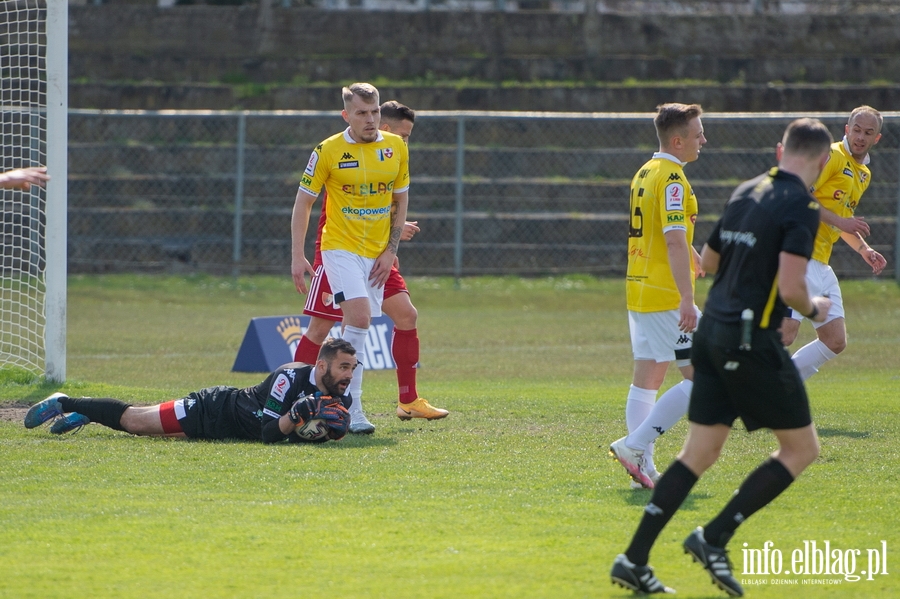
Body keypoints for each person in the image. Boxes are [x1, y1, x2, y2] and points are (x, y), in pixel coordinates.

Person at [610, 118, 834, 597]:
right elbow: (795, 290)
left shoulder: (746, 191)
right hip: (751, 342)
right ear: (819, 162)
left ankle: (633, 560)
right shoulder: (800, 204)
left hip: (713, 331)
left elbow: (708, 262)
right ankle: (714, 537)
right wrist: (818, 307)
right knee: (802, 449)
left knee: (700, 452)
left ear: (780, 151)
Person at [294, 100, 448, 434]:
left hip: (378, 254)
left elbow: (391, 201)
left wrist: (392, 240)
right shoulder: (340, 153)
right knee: (320, 329)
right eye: (404, 135)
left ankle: (408, 400)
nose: (406, 142)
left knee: (406, 315)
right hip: (338, 252)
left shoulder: (392, 154)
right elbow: (343, 206)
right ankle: (294, 395)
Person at [609, 103, 706, 489]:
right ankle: (635, 446)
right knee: (703, 378)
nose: (704, 140)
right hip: (665, 294)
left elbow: (668, 229)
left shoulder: (646, 171)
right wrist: (686, 297)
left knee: (648, 378)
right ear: (678, 140)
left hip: (639, 286)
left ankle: (640, 470)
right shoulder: (672, 179)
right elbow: (671, 239)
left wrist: (694, 254)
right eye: (698, 134)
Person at [23, 338, 357, 443]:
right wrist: (296, 415)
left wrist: (332, 433)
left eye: (352, 368)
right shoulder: (290, 377)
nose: (348, 375)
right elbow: (268, 433)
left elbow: (319, 434)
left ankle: (89, 413)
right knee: (136, 422)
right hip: (212, 409)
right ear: (323, 365)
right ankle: (64, 401)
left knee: (150, 431)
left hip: (223, 432)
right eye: (343, 367)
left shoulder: (342, 397)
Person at [781, 106, 887, 380]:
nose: (861, 137)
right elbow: (798, 194)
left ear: (877, 138)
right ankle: (732, 372)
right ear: (846, 129)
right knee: (785, 333)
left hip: (821, 263)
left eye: (868, 132)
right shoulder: (832, 156)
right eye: (857, 130)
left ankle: (783, 385)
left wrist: (864, 249)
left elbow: (843, 218)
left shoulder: (863, 174)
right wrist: (842, 222)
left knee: (835, 340)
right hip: (799, 253)